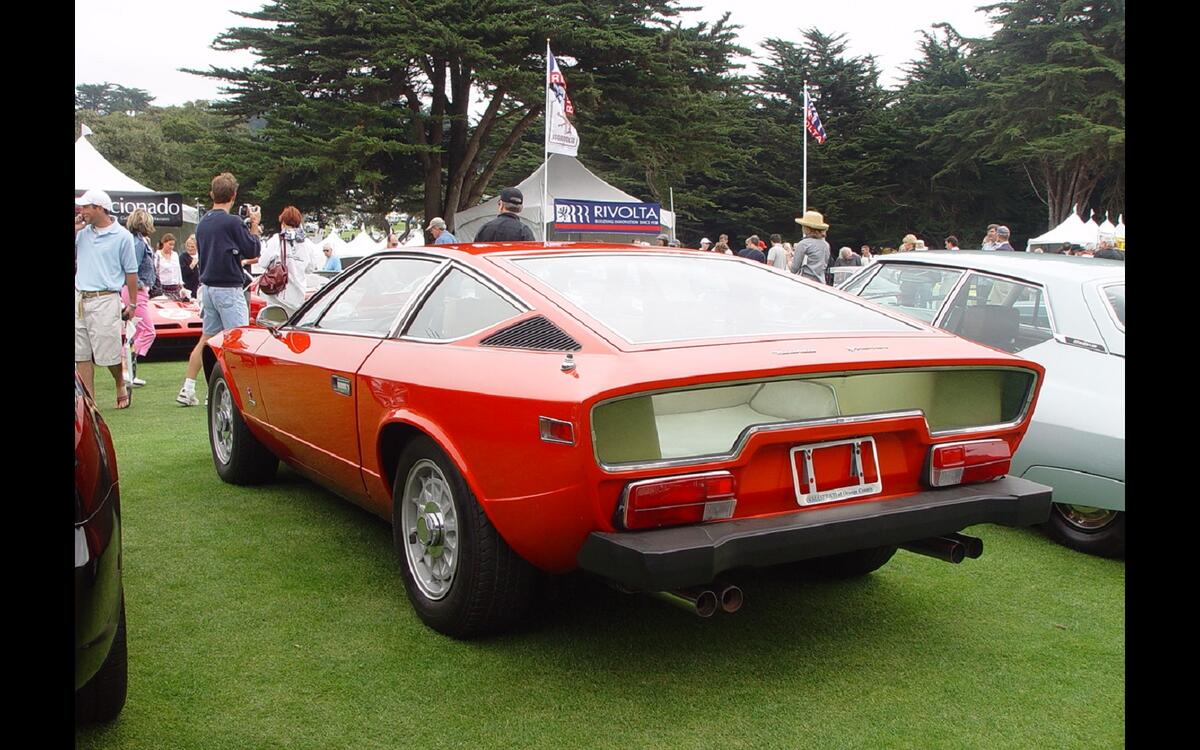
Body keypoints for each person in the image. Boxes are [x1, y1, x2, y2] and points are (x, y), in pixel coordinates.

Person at [176, 172, 262, 407]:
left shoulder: (204, 222)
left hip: (209, 287)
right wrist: (254, 226)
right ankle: (231, 392)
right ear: (233, 195)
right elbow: (253, 249)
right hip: (228, 287)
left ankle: (189, 387)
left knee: (207, 339)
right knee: (238, 339)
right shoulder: (232, 221)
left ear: (212, 194)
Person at [75, 189, 138, 410]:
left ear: (99, 208)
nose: (81, 211)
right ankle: (88, 399)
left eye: (86, 207)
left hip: (105, 297)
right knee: (80, 353)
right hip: (79, 297)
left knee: (108, 354)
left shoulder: (122, 236)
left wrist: (132, 303)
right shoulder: (81, 233)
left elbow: (131, 273)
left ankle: (120, 382)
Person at [122, 209, 159, 387]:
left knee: (135, 332)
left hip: (136, 290)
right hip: (136, 290)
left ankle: (129, 371)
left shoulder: (138, 241)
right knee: (148, 331)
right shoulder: (137, 243)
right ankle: (128, 367)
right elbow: (132, 269)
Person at [258, 205, 316, 316]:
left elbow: (262, 262)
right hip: (298, 297)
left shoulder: (276, 240)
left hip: (277, 296)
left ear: (283, 222)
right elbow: (310, 268)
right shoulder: (307, 244)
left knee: (275, 328)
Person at [790, 210, 831, 283]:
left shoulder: (803, 244)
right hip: (821, 281)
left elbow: (794, 268)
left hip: (806, 281)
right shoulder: (826, 245)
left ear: (808, 228)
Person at [155, 233, 186, 300]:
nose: (171, 247)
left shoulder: (175, 254)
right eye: (170, 244)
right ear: (164, 243)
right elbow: (154, 272)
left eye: (173, 245)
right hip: (162, 287)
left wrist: (182, 286)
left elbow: (178, 271)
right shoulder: (157, 255)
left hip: (175, 287)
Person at [180, 233, 201, 298]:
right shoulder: (183, 257)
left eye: (192, 247)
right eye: (188, 246)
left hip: (200, 287)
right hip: (189, 288)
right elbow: (183, 273)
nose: (190, 248)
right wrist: (192, 265)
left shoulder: (201, 256)